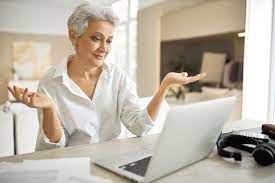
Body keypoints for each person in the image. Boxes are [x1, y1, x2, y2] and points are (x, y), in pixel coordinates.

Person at [8, 2, 206, 151]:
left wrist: (165, 86)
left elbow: (140, 127)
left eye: (109, 41)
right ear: (73, 36)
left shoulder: (118, 78)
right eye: (96, 38)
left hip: (112, 162)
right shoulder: (51, 81)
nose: (104, 48)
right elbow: (54, 149)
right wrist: (50, 108)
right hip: (71, 165)